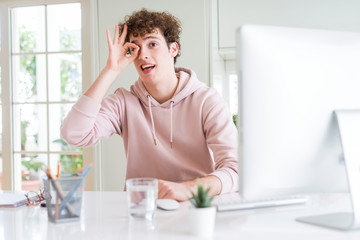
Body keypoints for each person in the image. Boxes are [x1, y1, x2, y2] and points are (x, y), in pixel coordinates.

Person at [60, 8, 238, 201]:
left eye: (152, 44)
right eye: (134, 48)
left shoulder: (206, 100)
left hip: (194, 210)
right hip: (140, 213)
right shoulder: (124, 102)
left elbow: (235, 170)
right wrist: (111, 70)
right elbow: (74, 134)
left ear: (173, 49)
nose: (143, 54)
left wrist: (186, 189)